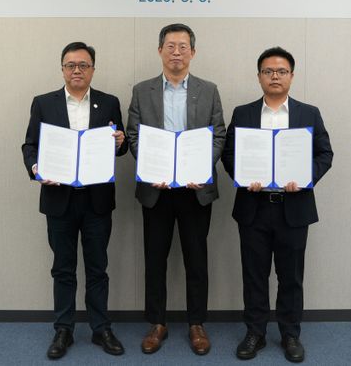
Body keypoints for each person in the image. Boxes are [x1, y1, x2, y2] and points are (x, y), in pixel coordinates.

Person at [221, 47, 333, 363]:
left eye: (281, 71)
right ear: (259, 76)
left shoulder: (308, 113)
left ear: (291, 76)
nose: (274, 76)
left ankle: (290, 334)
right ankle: (255, 332)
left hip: (293, 207)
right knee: (254, 274)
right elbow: (228, 154)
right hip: (253, 206)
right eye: (268, 71)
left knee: (291, 276)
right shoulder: (243, 113)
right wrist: (244, 177)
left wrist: (305, 178)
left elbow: (325, 154)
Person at [21, 42, 128, 360]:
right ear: (62, 69)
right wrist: (36, 168)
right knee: (63, 268)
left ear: (93, 69)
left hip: (97, 200)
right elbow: (30, 145)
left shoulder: (109, 102)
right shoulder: (44, 103)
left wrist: (120, 142)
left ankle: (101, 328)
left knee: (98, 268)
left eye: (83, 65)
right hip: (59, 199)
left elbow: (120, 146)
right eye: (71, 65)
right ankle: (63, 329)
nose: (77, 70)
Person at [126, 23, 226, 355]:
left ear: (193, 52)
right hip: (156, 189)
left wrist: (200, 168)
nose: (176, 53)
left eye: (183, 47)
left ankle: (197, 323)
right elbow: (134, 135)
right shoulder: (142, 91)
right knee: (155, 259)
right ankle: (157, 323)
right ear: (160, 51)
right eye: (170, 46)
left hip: (195, 190)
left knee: (197, 259)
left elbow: (218, 135)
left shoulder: (209, 90)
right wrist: (151, 167)